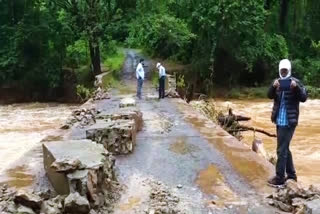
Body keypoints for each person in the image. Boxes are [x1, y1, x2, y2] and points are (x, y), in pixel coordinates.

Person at [267, 59, 308, 187]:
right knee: (285, 148)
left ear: (288, 70)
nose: (283, 73)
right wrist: (273, 87)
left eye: (285, 71)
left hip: (290, 122)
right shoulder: (277, 82)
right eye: (282, 71)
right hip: (279, 120)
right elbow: (269, 95)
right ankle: (291, 175)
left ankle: (279, 178)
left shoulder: (296, 82)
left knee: (281, 150)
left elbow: (304, 98)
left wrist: (296, 88)